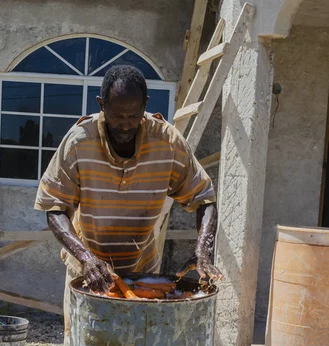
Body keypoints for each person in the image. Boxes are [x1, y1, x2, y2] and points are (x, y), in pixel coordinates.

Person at [35, 65, 222, 297]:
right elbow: (55, 208)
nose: (125, 124)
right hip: (89, 271)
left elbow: (205, 199)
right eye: (117, 116)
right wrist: (86, 258)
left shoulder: (167, 142)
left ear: (145, 105)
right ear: (101, 105)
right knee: (87, 334)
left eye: (133, 116)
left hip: (144, 272)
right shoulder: (79, 142)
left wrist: (203, 251)